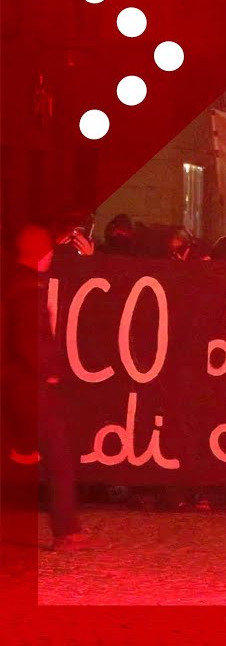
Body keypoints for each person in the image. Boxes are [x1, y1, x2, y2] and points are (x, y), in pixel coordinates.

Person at [3, 225, 91, 550]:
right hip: (33, 386)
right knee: (59, 457)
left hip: (18, 384)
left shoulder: (17, 282)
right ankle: (67, 532)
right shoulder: (29, 290)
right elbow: (31, 340)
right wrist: (51, 371)